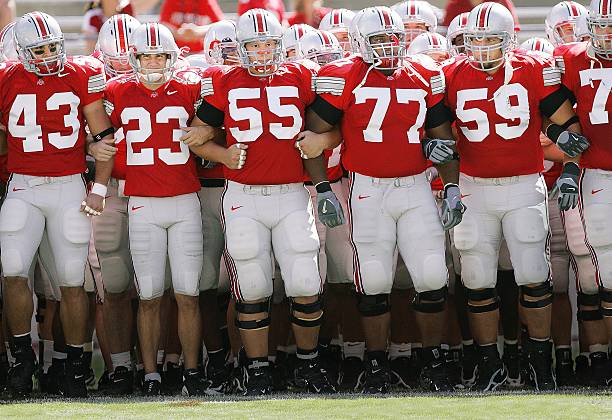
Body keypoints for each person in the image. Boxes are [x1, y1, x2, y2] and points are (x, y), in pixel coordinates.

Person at [193, 8, 343, 396]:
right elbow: (194, 135)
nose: (261, 53)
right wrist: (223, 154)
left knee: (305, 280)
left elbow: (334, 126)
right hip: (243, 195)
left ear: (281, 47)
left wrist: (323, 144)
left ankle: (307, 366)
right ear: (240, 49)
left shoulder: (301, 75)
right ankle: (258, 369)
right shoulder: (222, 80)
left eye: (268, 45)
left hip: (292, 192)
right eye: (254, 46)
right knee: (252, 282)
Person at [444, 2, 588, 391]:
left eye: (492, 39)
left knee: (533, 273)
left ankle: (540, 362)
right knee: (476, 275)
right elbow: (437, 129)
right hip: (475, 186)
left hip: (524, 183)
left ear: (509, 40)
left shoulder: (532, 69)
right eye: (477, 40)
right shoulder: (451, 74)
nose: (484, 47)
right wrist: (444, 167)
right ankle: (489, 361)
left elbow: (566, 122)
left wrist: (569, 154)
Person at [0, 11, 115, 398]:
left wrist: (99, 187)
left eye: (52, 46)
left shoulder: (81, 74)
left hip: (68, 186)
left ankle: (77, 366)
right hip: (24, 186)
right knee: (13, 271)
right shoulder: (6, 78)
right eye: (40, 49)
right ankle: (21, 361)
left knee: (71, 280)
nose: (49, 55)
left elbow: (103, 137)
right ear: (21, 51)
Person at [553, 0, 612, 386]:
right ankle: (602, 359)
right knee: (604, 268)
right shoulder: (572, 58)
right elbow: (553, 110)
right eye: (602, 27)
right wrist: (566, 146)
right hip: (598, 173)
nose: (607, 35)